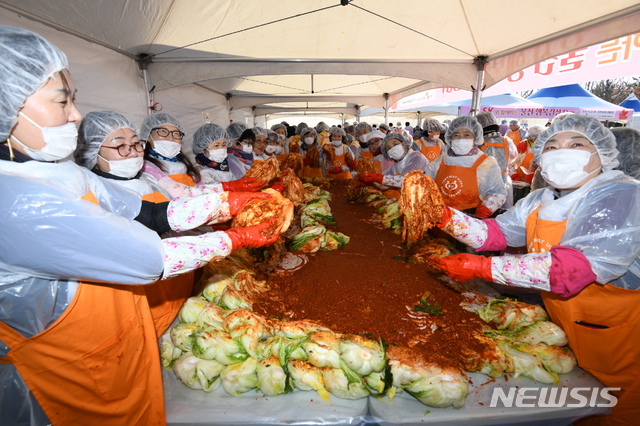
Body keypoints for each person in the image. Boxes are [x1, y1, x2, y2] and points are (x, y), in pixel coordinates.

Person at [0, 25, 279, 426]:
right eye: (62, 100)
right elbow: (152, 256)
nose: (76, 114)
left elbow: (151, 214)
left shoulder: (60, 173)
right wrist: (236, 235)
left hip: (116, 346)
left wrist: (226, 202)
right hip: (67, 375)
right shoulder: (15, 203)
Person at [431, 114, 640, 425]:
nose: (560, 152)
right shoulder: (541, 199)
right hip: (562, 324)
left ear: (604, 154)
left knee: (614, 409)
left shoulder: (620, 195)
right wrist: (442, 215)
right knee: (567, 404)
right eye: (552, 145)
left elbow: (571, 268)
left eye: (577, 143)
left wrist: (482, 266)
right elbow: (494, 234)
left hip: (617, 334)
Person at [424, 116, 507, 218]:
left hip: (470, 221)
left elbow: (497, 194)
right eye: (456, 135)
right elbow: (427, 185)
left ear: (475, 138)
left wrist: (482, 213)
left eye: (467, 135)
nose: (461, 139)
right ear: (450, 138)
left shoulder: (486, 163)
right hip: (440, 218)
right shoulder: (440, 161)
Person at [358, 133, 429, 200]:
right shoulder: (396, 165)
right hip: (411, 199)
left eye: (395, 144)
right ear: (387, 153)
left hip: (425, 197)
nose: (393, 149)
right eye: (388, 148)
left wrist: (379, 178)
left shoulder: (417, 157)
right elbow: (384, 183)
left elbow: (408, 180)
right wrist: (368, 180)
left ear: (403, 144)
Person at [140, 112, 200, 187]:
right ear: (148, 136)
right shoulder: (145, 167)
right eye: (163, 131)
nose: (170, 138)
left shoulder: (186, 166)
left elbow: (201, 188)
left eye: (176, 133)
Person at [475, 112, 518, 209]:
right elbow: (513, 157)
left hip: (481, 183)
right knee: (501, 211)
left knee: (483, 210)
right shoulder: (506, 140)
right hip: (503, 181)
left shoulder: (478, 142)